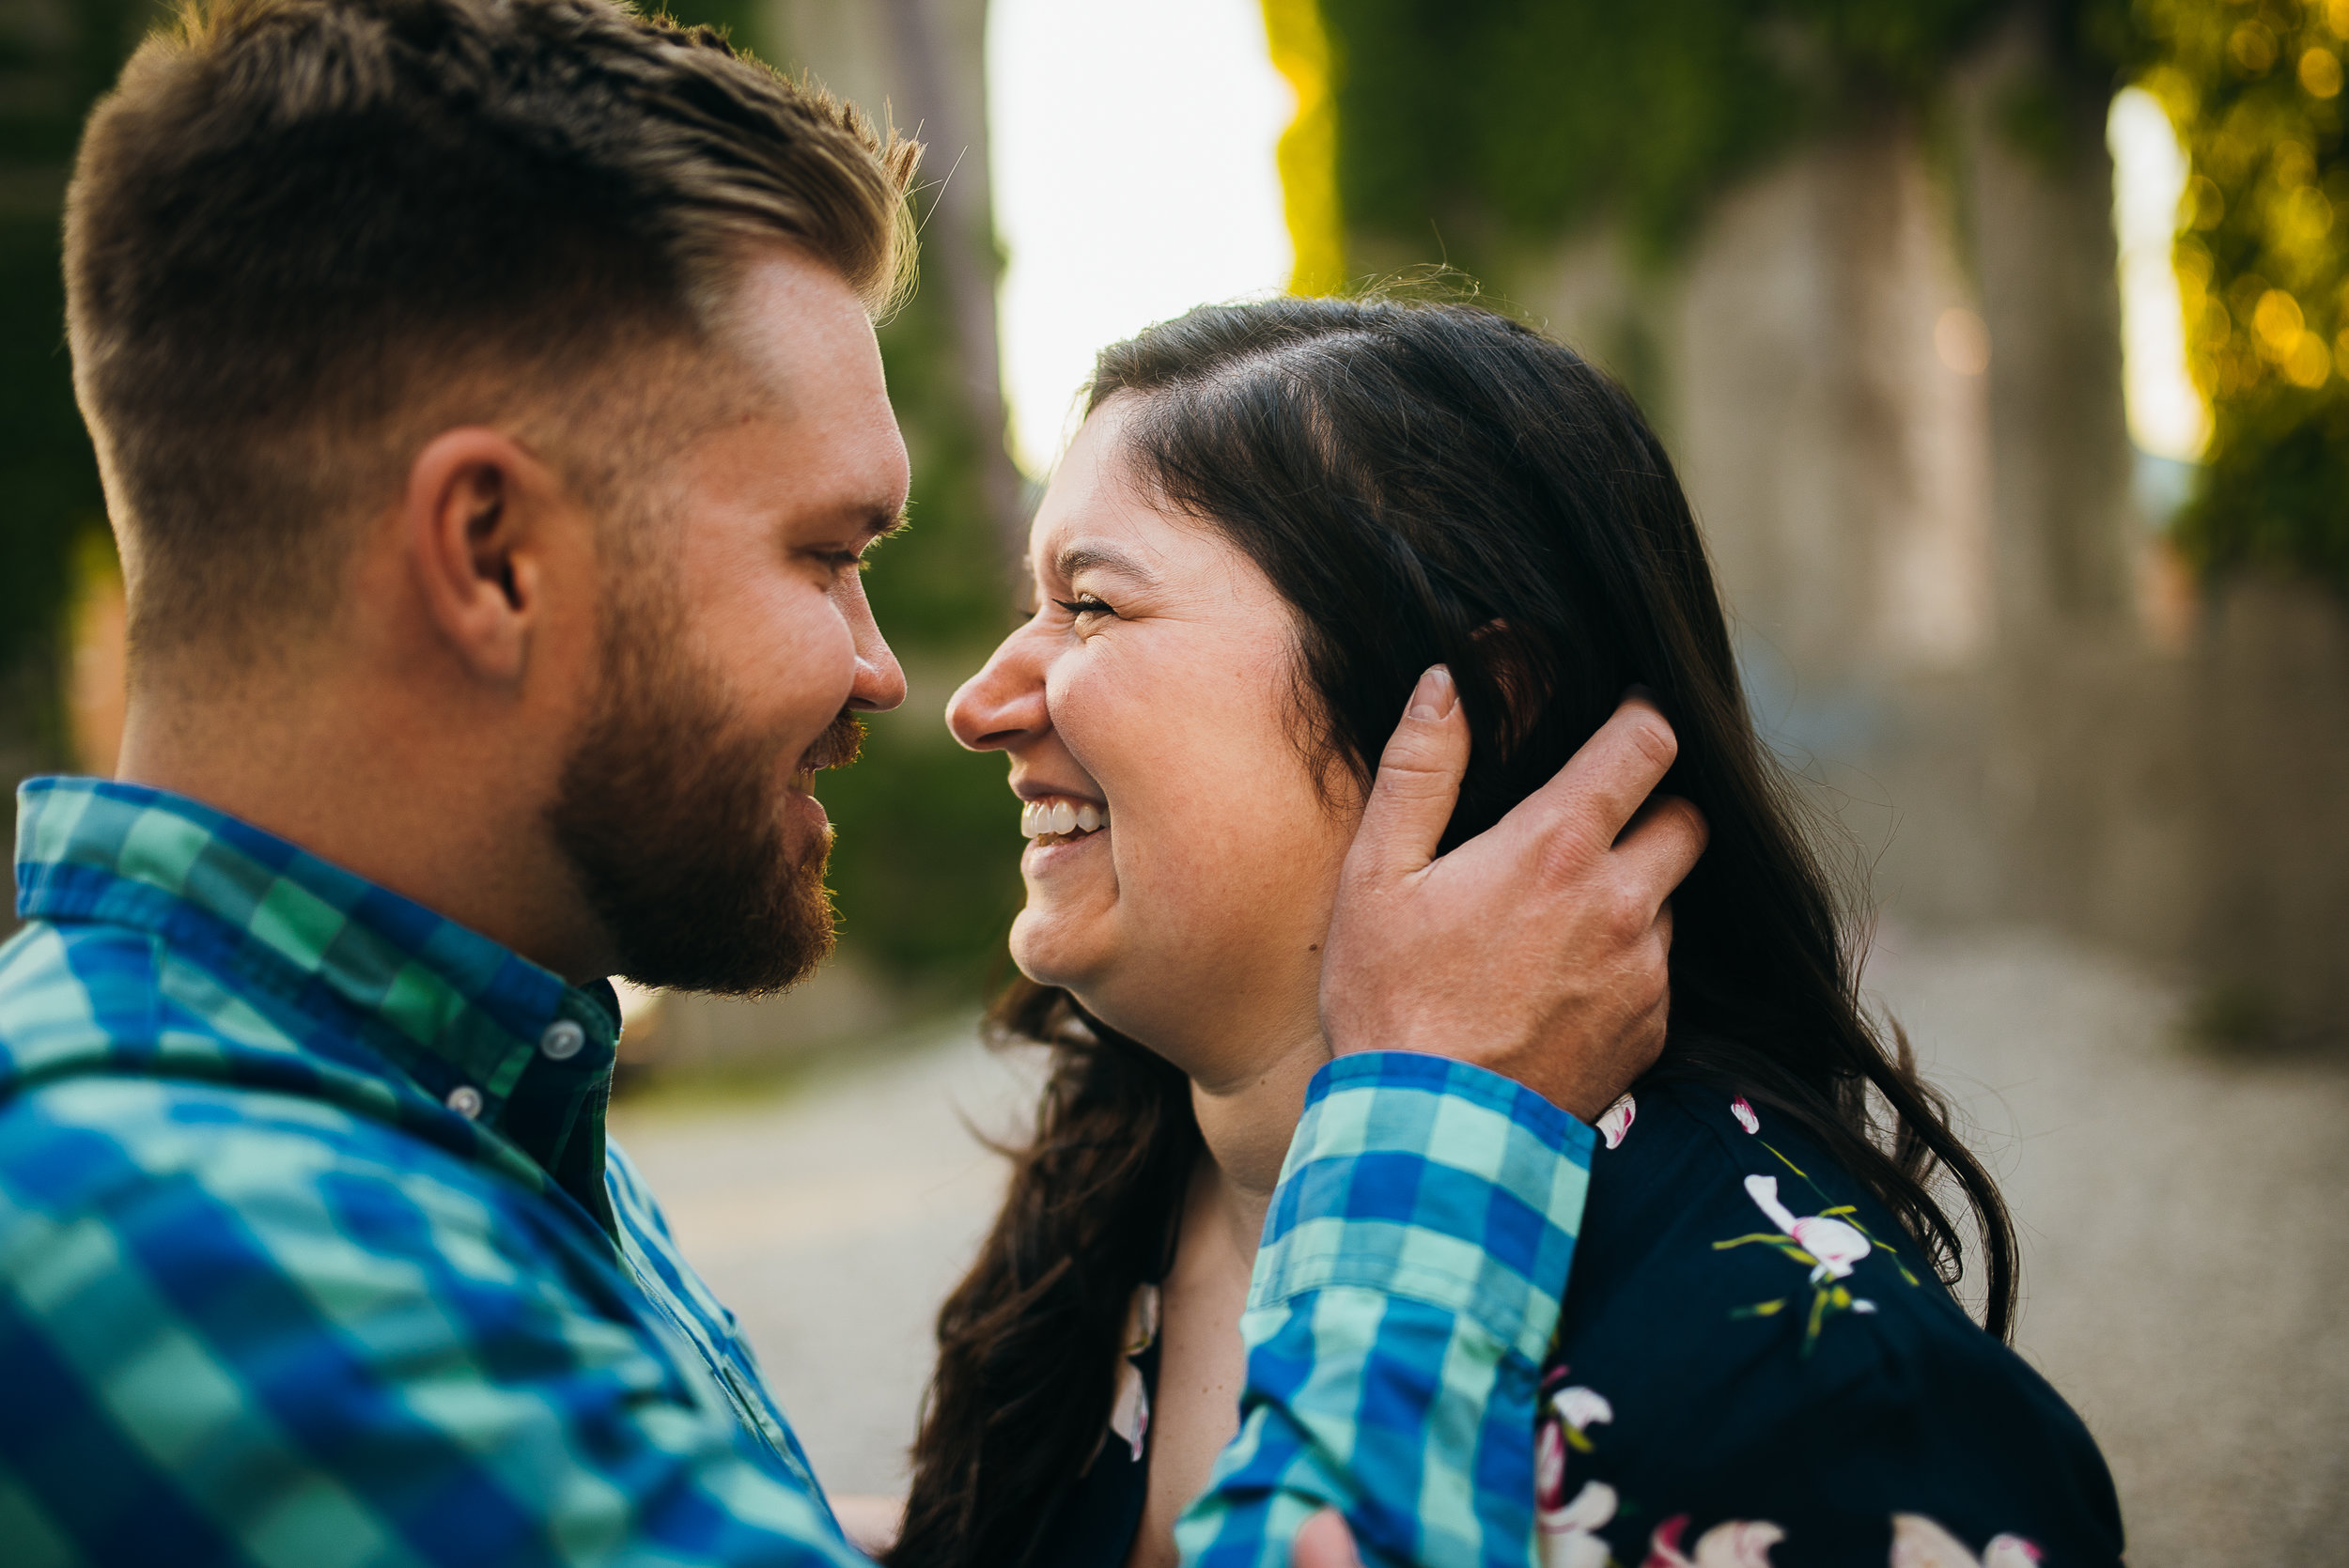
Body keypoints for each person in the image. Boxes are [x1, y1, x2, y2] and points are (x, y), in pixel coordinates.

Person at [0, 4, 1707, 1565]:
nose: (897, 677)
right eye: (824, 554)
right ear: (493, 555)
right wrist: (1435, 1117)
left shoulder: (409, 1094)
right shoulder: (194, 1233)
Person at [913, 297, 2127, 1568]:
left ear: (1479, 707)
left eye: (1091, 606)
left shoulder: (1834, 1403)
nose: (983, 699)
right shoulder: (1099, 1200)